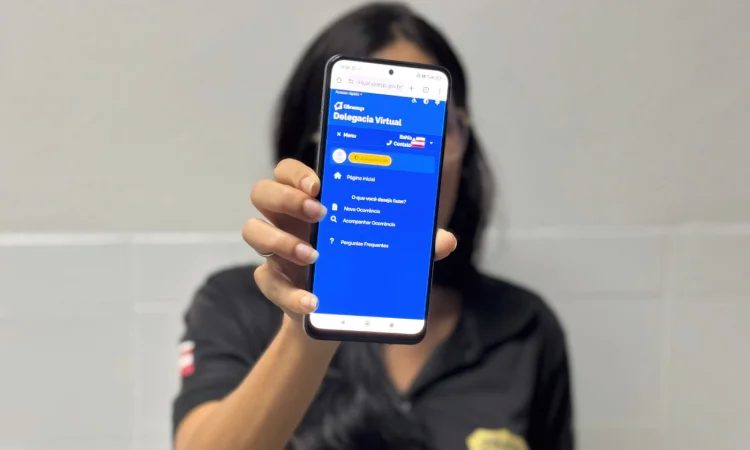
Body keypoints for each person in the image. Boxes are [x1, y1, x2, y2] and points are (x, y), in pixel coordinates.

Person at [172, 3, 574, 450]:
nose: (406, 155)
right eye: (370, 127)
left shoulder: (524, 327)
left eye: (429, 125)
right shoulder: (236, 305)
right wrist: (306, 329)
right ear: (315, 148)